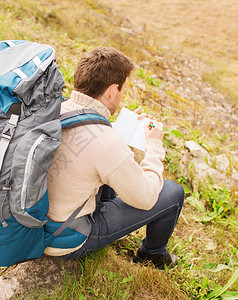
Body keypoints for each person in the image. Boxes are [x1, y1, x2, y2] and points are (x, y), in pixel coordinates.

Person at [45, 47, 185, 269]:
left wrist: (119, 129)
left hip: (34, 223)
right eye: (122, 90)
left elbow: (87, 146)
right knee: (172, 192)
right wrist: (154, 145)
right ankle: (152, 254)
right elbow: (147, 198)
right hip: (64, 238)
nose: (121, 96)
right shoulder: (106, 142)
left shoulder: (57, 108)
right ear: (112, 90)